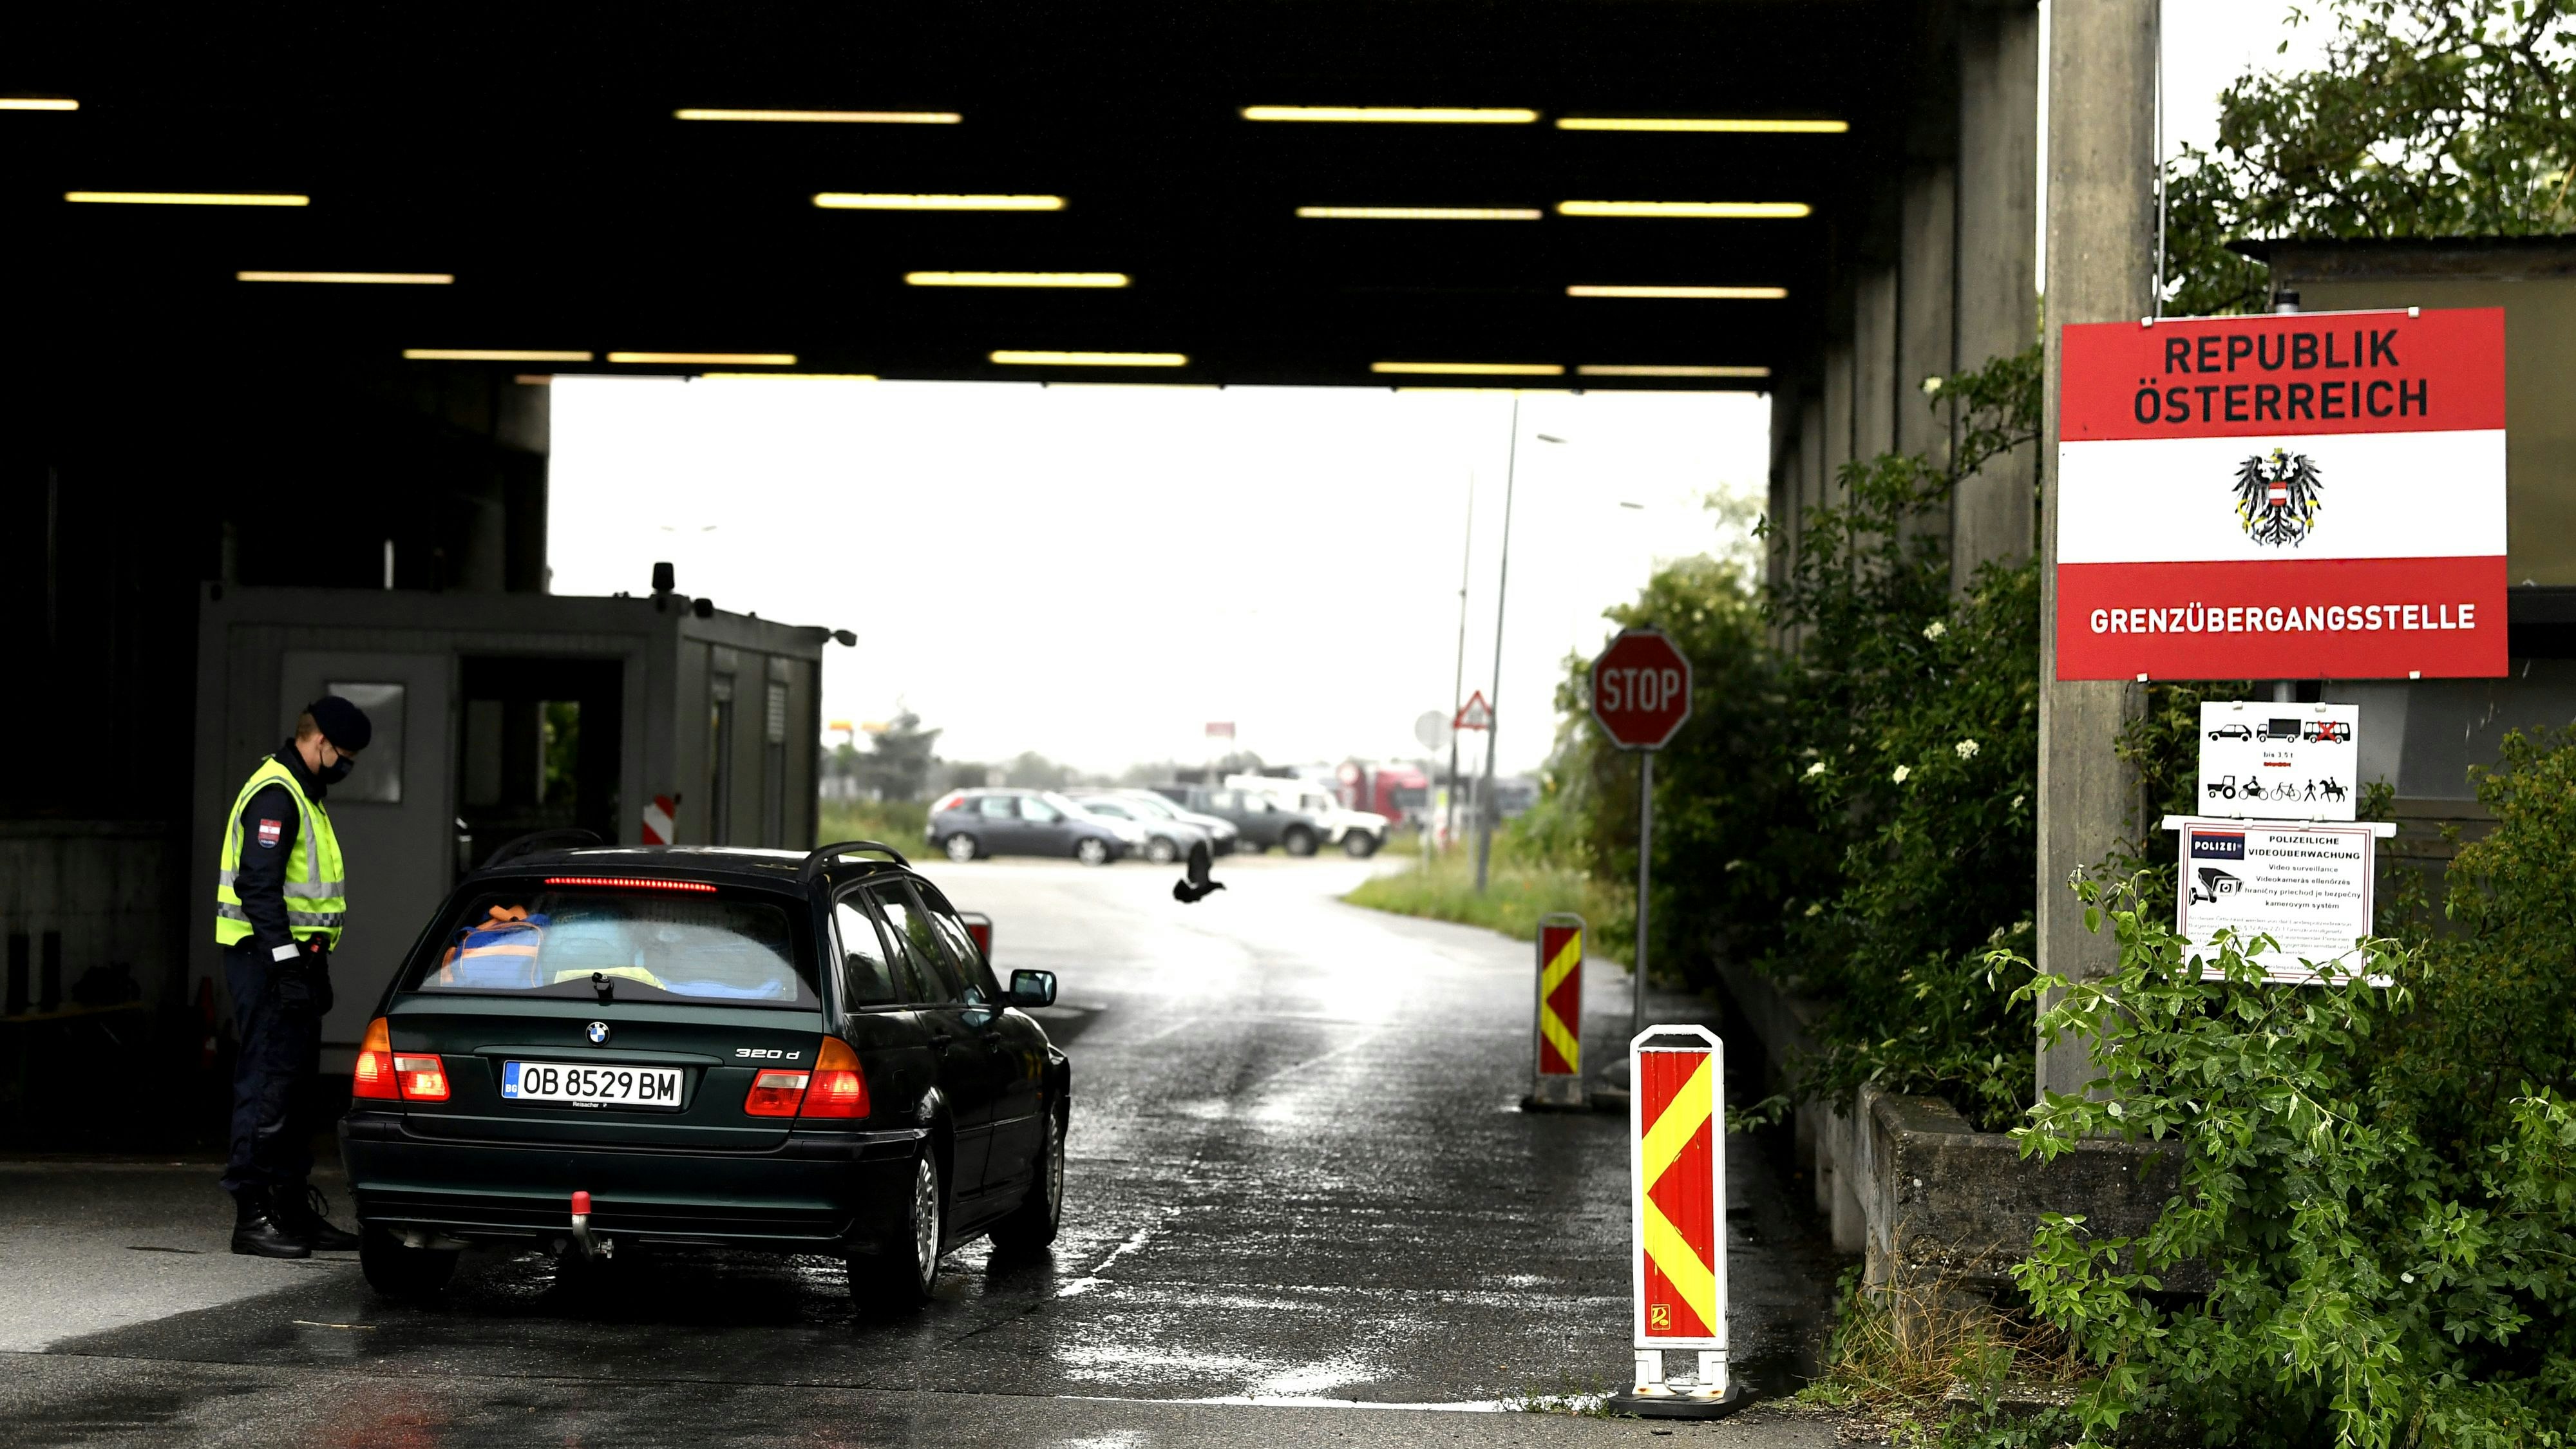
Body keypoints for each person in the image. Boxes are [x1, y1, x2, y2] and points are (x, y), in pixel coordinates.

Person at [214, 696, 370, 1258]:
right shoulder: (277, 793)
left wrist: (309, 963)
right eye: (345, 753)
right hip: (265, 961)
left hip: (294, 961)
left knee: (296, 1090)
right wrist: (285, 964)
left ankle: (290, 1210)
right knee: (267, 1087)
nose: (347, 764)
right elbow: (257, 887)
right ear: (320, 742)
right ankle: (253, 1216)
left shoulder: (306, 794)